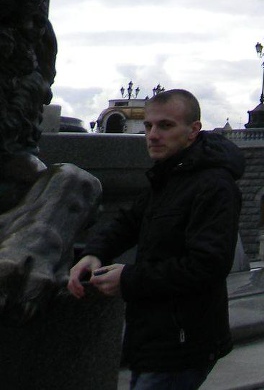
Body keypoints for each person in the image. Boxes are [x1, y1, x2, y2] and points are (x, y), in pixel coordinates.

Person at [67, 89, 244, 390]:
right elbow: (128, 222)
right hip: (155, 336)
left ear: (193, 131)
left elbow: (206, 266)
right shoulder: (170, 175)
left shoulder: (214, 186)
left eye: (165, 126)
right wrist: (94, 253)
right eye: (148, 126)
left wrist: (128, 279)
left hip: (183, 342)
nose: (152, 135)